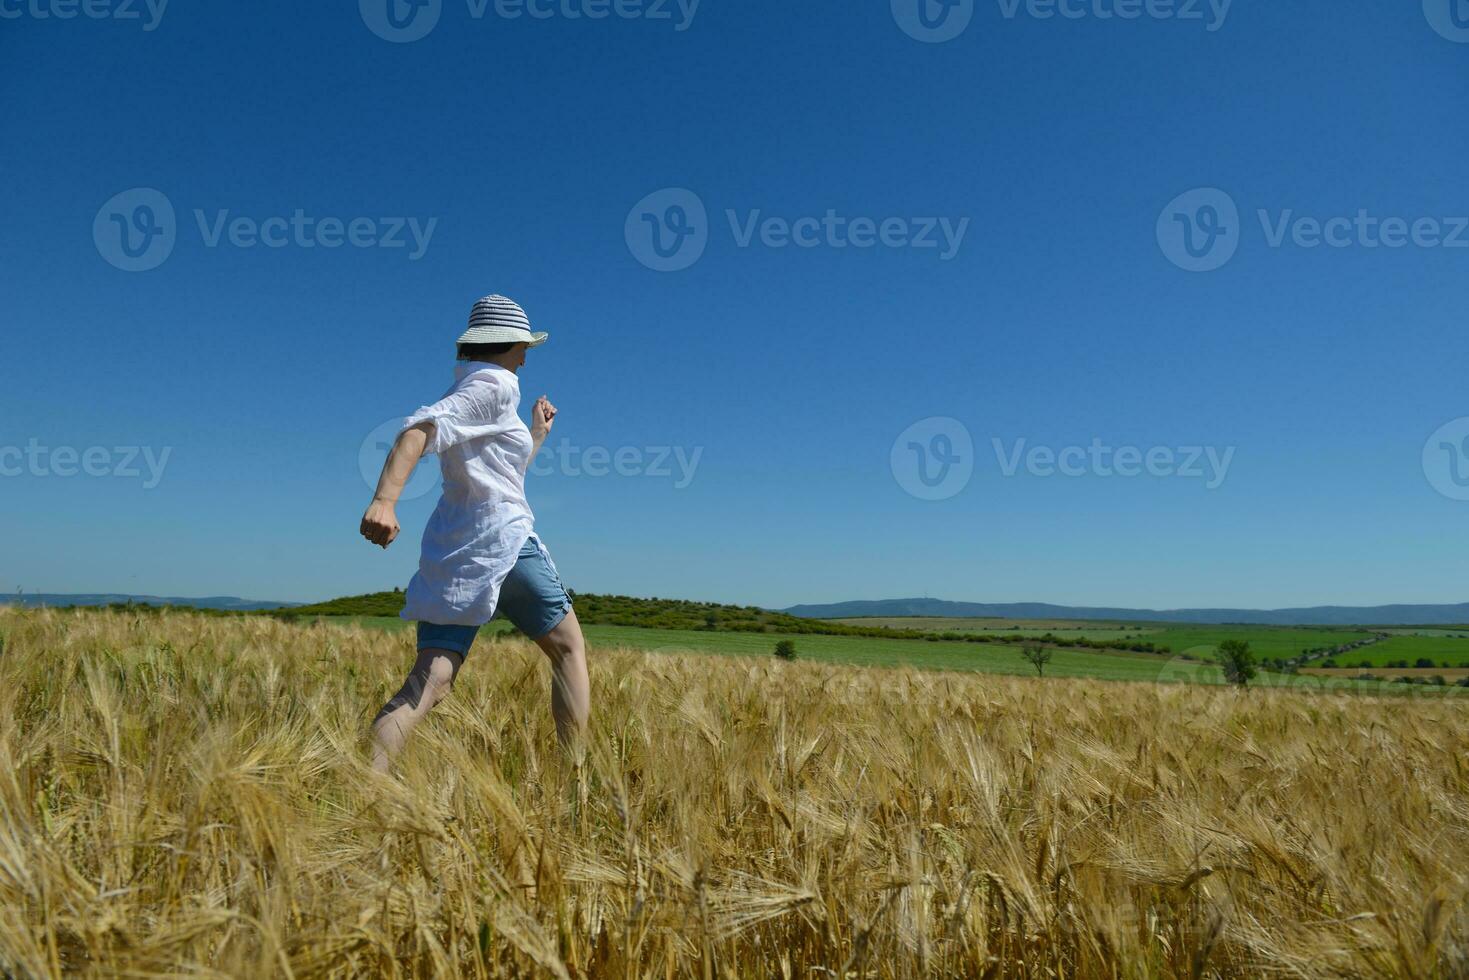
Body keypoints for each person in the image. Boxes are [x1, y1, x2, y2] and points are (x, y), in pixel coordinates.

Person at [359, 294, 590, 773]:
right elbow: (416, 432)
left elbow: (498, 477)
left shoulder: (472, 391)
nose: (527, 357)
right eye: (525, 347)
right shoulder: (497, 385)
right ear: (509, 346)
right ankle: (577, 782)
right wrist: (384, 499)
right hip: (504, 544)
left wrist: (536, 436)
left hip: (456, 554)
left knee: (431, 681)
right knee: (569, 649)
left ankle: (366, 786)